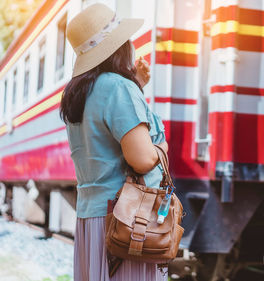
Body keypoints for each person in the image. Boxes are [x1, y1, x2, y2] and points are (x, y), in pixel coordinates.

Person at [60, 3, 168, 280]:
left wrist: (137, 88)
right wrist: (162, 146)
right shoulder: (119, 87)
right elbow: (143, 159)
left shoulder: (77, 93)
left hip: (91, 219)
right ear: (121, 47)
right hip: (126, 221)